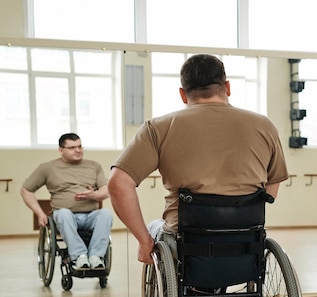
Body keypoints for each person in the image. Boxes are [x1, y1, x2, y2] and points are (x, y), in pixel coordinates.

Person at [107, 54, 289, 265]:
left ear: (183, 94)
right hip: (246, 235)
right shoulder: (264, 126)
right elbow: (272, 188)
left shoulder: (159, 128)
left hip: (187, 237)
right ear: (227, 87)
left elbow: (117, 184)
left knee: (154, 227)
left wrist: (143, 241)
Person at [21, 133, 113, 270]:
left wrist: (94, 195)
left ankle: (95, 256)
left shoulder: (94, 166)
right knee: (64, 213)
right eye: (72, 148)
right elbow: (26, 190)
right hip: (65, 216)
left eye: (80, 146)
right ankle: (79, 256)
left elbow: (106, 190)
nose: (77, 150)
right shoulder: (47, 168)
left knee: (106, 213)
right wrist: (39, 213)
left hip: (90, 216)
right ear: (61, 150)